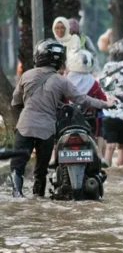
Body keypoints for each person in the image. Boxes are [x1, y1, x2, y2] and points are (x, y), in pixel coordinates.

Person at [10, 39, 115, 198]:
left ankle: (17, 195)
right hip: (46, 130)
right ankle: (38, 197)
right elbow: (83, 100)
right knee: (41, 169)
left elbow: (15, 102)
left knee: (17, 166)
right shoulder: (61, 80)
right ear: (59, 60)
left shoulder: (26, 75)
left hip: (24, 127)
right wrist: (106, 104)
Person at [66, 50, 108, 151]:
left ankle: (54, 155)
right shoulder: (93, 82)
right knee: (101, 122)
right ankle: (99, 154)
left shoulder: (65, 80)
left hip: (68, 116)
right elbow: (103, 99)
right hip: (89, 118)